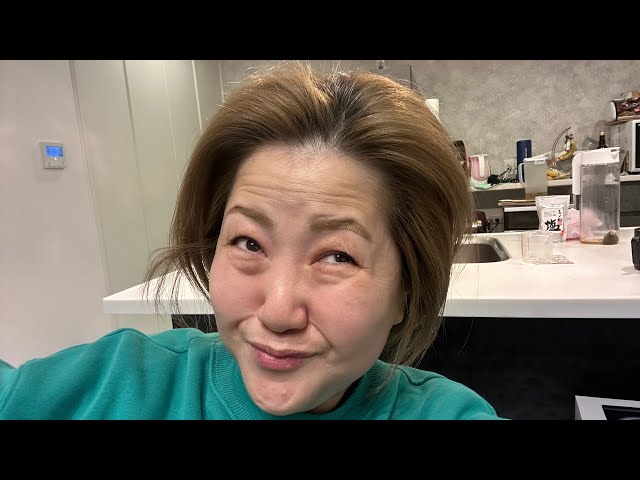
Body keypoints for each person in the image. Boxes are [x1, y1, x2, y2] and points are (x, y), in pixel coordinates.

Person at [0, 61, 502, 420]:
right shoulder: (123, 381)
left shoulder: (448, 413)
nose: (279, 312)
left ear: (407, 291)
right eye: (249, 243)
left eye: (337, 256)